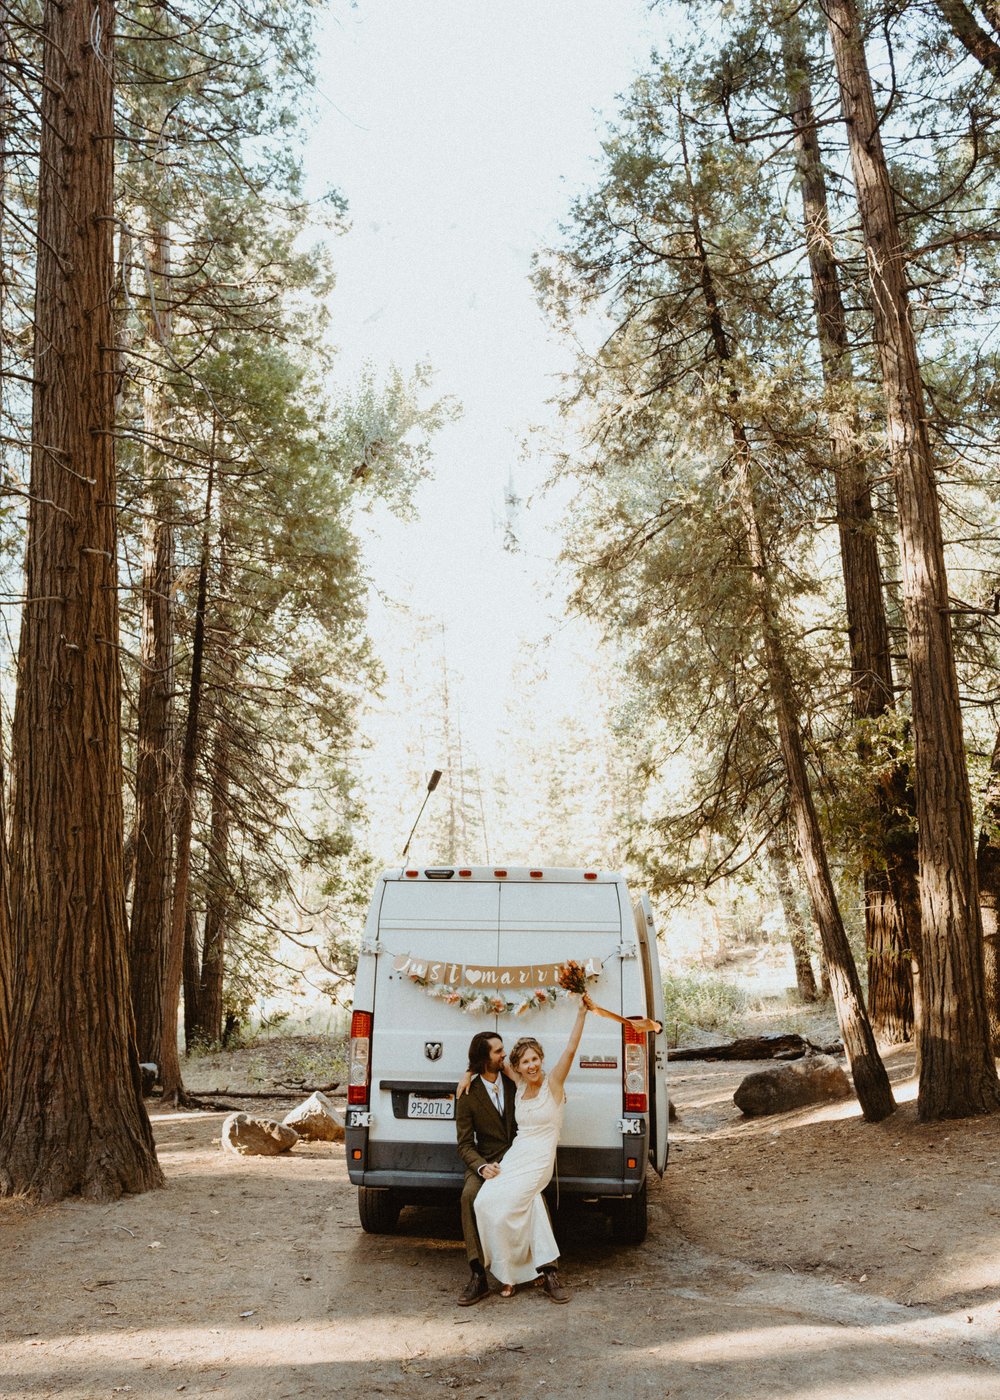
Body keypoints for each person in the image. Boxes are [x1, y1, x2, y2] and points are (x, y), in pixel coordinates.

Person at [461, 994, 591, 1303]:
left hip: (540, 1156)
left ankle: (522, 1274)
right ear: (517, 1067)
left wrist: (582, 1014)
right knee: (485, 1202)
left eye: (535, 1059)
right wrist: (467, 1073)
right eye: (525, 1061)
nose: (531, 1065)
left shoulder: (554, 1084)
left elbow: (571, 1050)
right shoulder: (519, 1086)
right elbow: (489, 1063)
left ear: (541, 1060)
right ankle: (519, 1272)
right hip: (517, 1154)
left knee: (509, 1205)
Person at [454, 1030, 517, 1306]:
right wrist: (481, 1168)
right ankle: (478, 1274)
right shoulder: (468, 1093)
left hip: (517, 1158)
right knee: (469, 1196)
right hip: (485, 1160)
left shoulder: (514, 1081)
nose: (504, 1054)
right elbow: (464, 1144)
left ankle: (547, 1268)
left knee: (533, 1195)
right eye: (498, 1051)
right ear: (484, 1059)